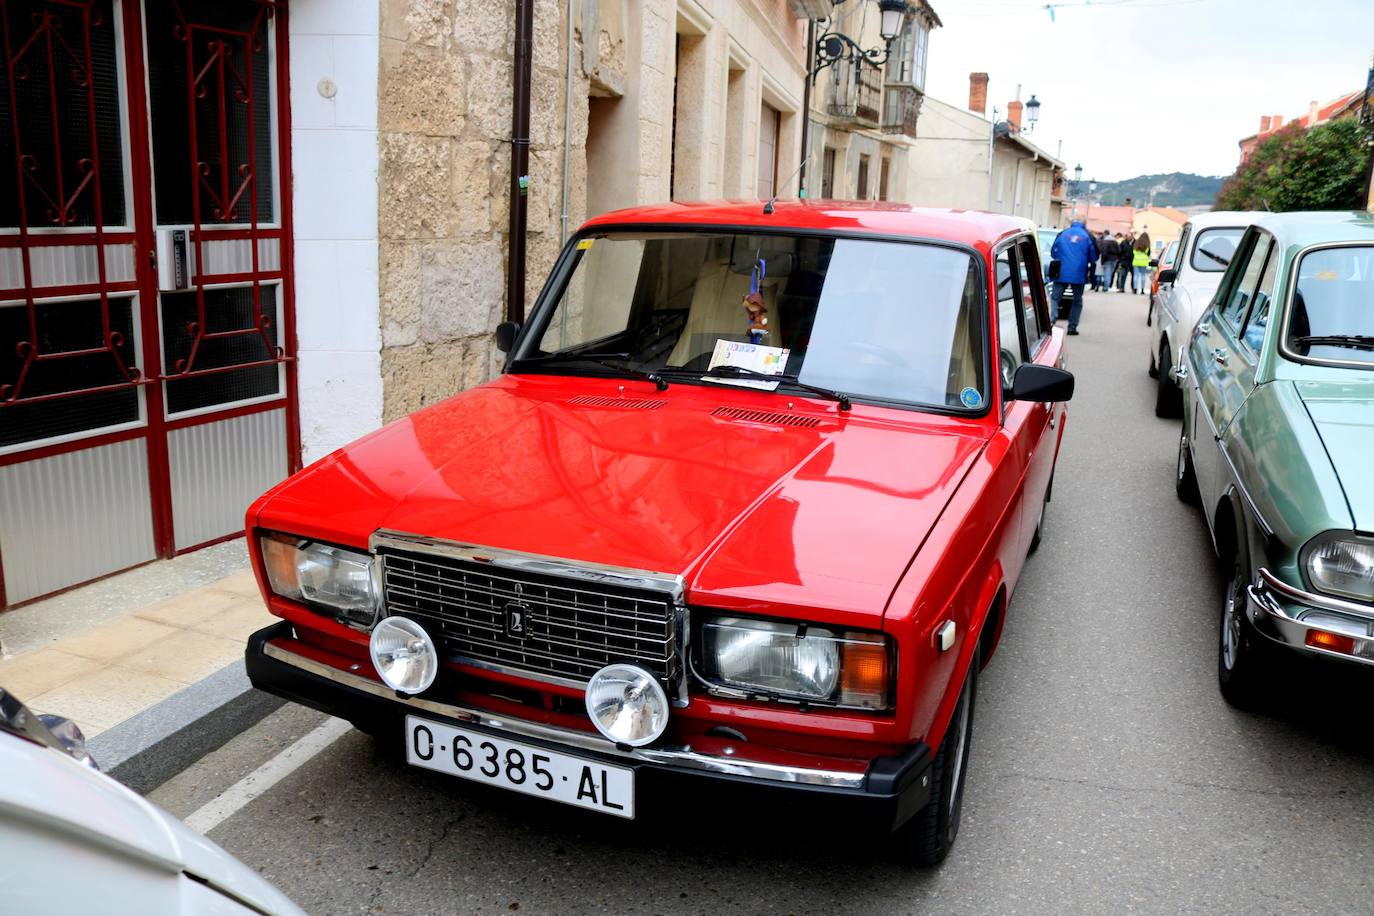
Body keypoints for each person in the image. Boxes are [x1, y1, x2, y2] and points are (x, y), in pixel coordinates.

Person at [1049, 218, 1099, 336]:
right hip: (1079, 273)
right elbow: (1094, 257)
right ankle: (1072, 327)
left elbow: (1053, 252)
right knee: (1077, 301)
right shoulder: (1088, 236)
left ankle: (1052, 321)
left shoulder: (1062, 234)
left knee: (1055, 298)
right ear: (1084, 224)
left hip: (1061, 271)